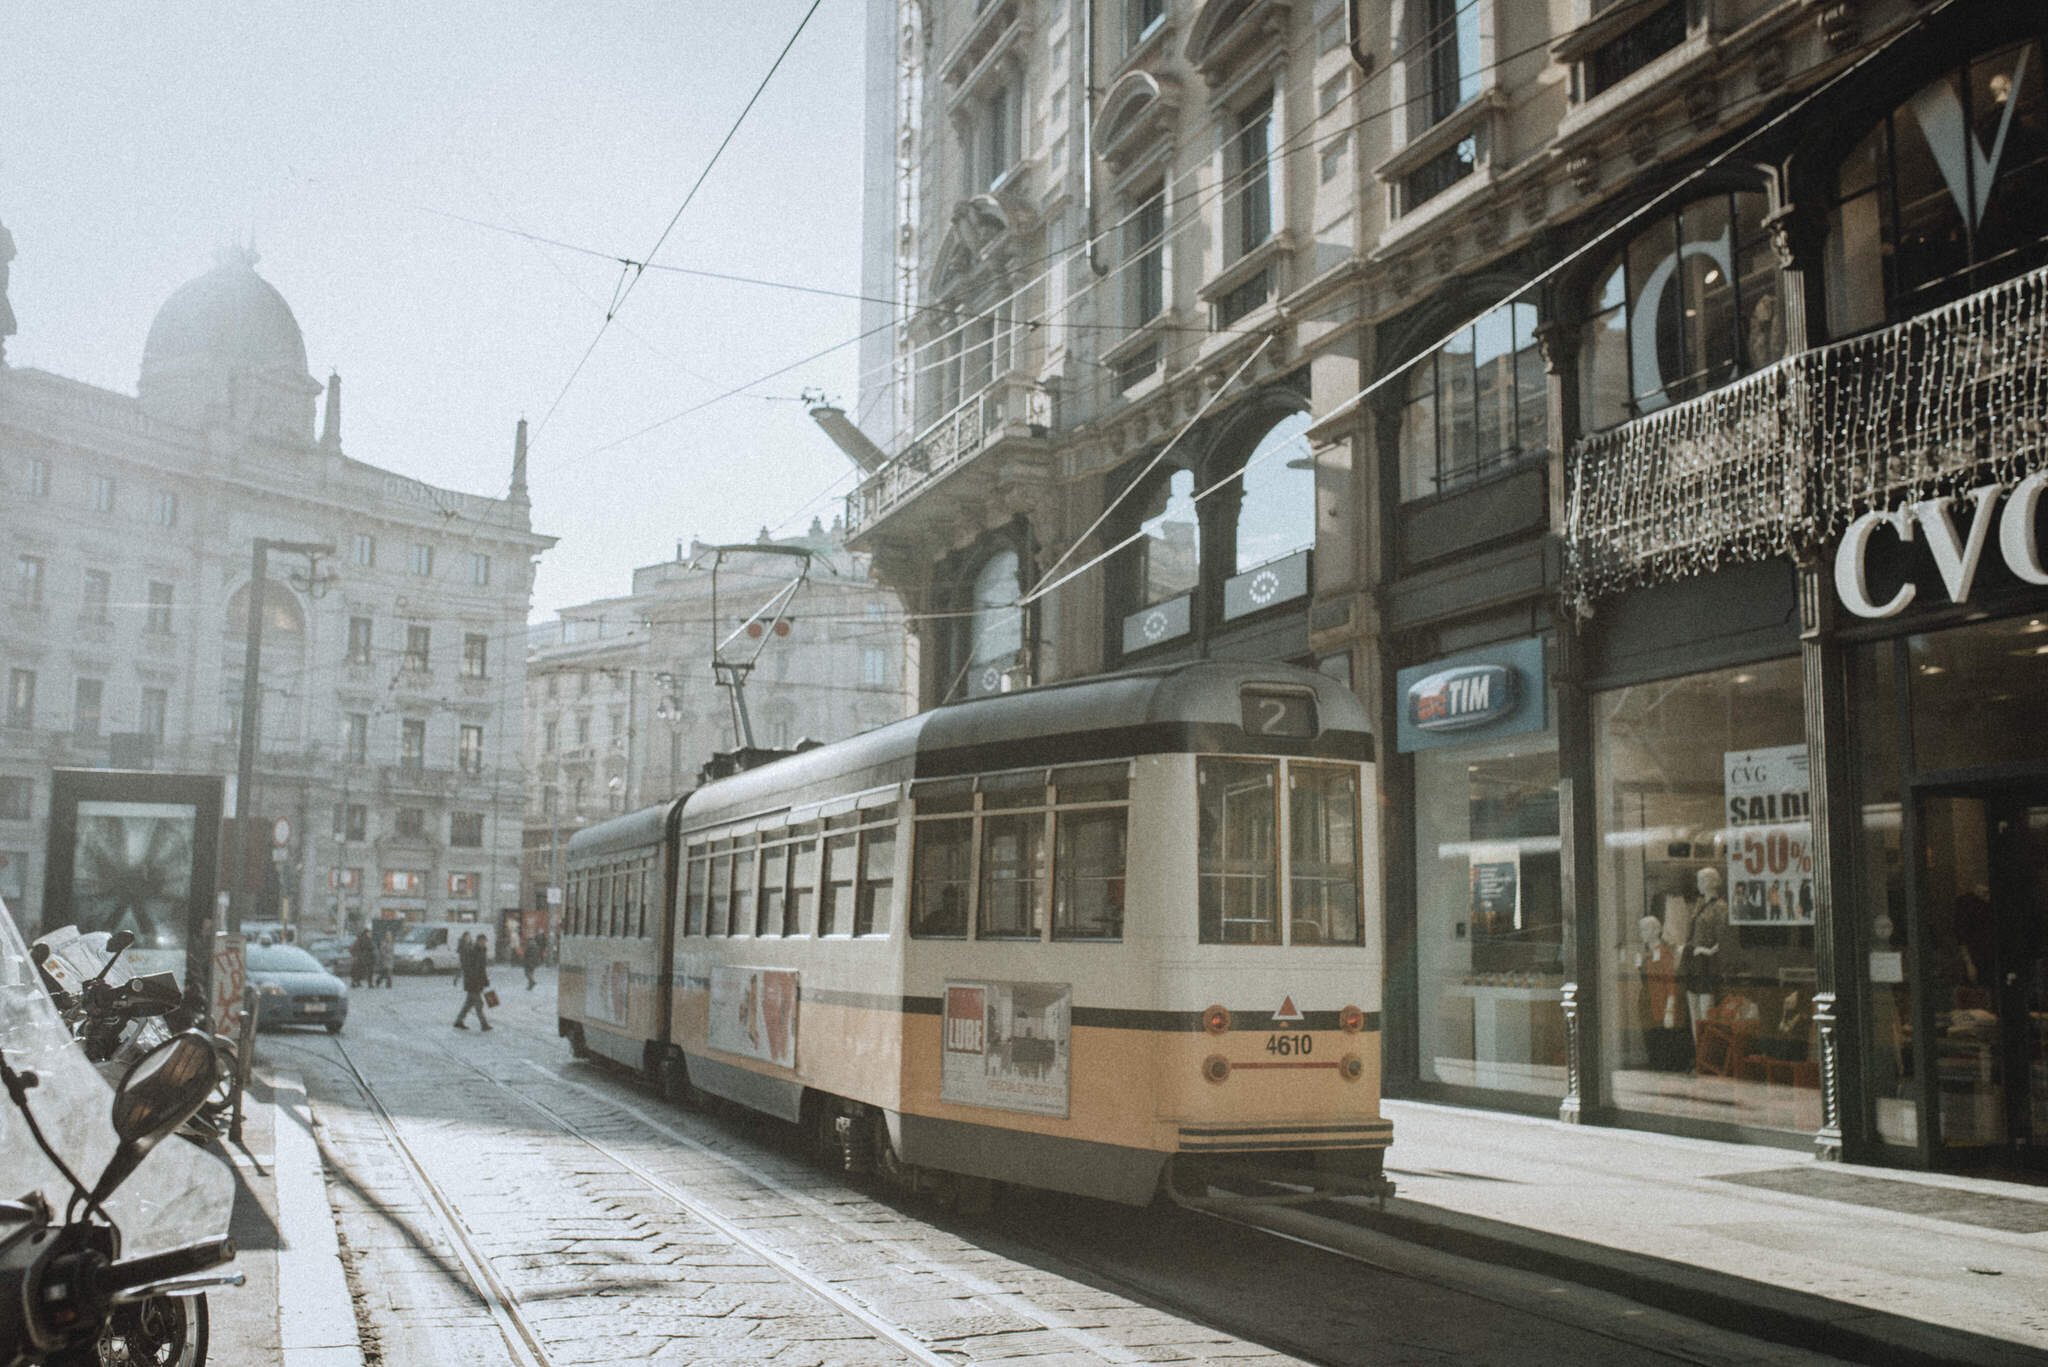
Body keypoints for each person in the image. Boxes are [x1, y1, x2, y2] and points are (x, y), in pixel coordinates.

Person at [1682, 866, 1728, 1040]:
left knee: (1706, 1013)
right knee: (1694, 1013)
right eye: (1699, 880)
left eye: (1702, 880)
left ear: (1713, 882)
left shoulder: (1721, 907)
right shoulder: (1700, 906)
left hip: (1708, 964)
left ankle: (1709, 1057)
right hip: (1694, 962)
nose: (1699, 884)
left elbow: (1723, 939)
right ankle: (1699, 1057)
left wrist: (1706, 950)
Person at [454, 932, 491, 1031]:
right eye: (482, 941)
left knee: (468, 1003)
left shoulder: (482, 951)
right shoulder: (472, 951)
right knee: (479, 1004)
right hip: (472, 982)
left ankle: (458, 1021)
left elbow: (482, 969)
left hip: (478, 982)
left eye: (485, 941)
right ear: (478, 941)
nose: (484, 943)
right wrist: (474, 980)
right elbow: (469, 968)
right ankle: (484, 1024)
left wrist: (485, 980)